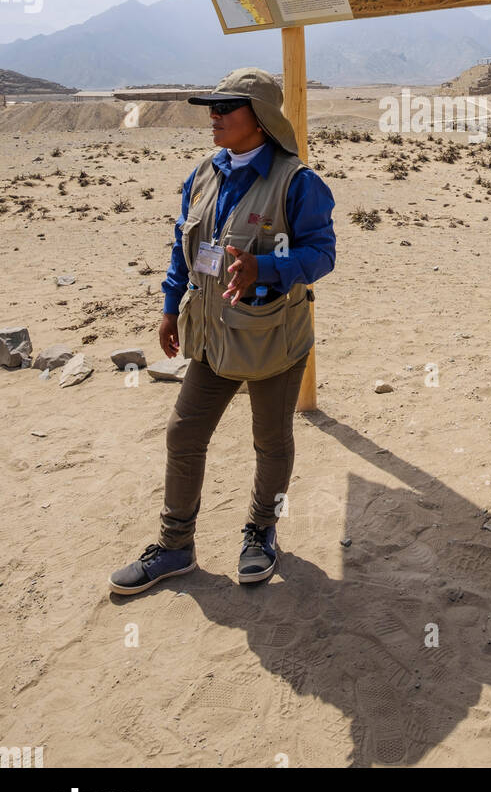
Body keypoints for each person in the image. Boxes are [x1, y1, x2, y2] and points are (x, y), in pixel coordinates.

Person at [109, 68, 335, 595]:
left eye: (226, 107)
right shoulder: (204, 174)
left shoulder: (298, 181)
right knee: (184, 434)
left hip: (271, 336)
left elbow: (321, 254)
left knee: (271, 441)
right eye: (211, 107)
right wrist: (170, 307)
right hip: (211, 335)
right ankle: (174, 547)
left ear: (258, 119)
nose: (214, 117)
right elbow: (181, 243)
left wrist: (265, 269)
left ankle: (261, 533)